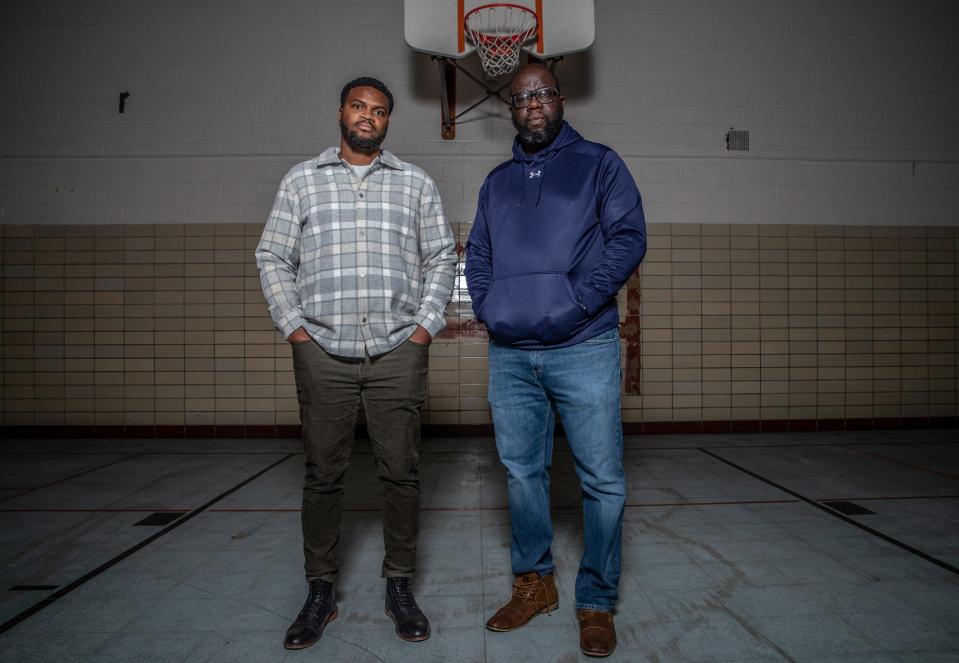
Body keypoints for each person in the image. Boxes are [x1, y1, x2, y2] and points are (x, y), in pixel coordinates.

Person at [255, 76, 456, 650]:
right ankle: (321, 589)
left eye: (379, 111)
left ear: (388, 121)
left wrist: (423, 329)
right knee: (323, 475)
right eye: (359, 107)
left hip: (398, 350)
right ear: (341, 112)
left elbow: (442, 257)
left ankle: (399, 585)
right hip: (321, 351)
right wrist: (294, 328)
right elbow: (271, 254)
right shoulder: (301, 181)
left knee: (402, 472)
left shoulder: (415, 183)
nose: (368, 117)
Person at [465, 63, 646, 658]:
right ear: (511, 110)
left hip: (584, 347)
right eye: (521, 98)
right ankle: (535, 584)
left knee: (602, 481)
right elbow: (479, 254)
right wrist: (491, 307)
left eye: (542, 93)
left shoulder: (600, 164)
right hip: (512, 354)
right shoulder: (496, 182)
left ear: (560, 100)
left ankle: (595, 601)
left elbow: (628, 239)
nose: (532, 104)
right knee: (522, 475)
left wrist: (578, 301)